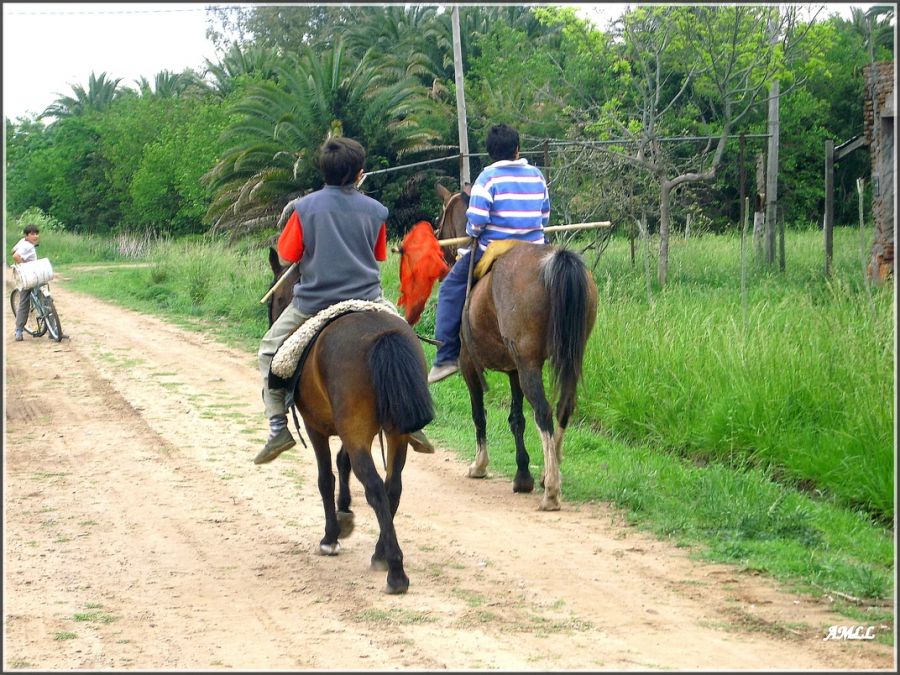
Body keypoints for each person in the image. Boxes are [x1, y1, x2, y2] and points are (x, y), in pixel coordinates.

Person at [254, 137, 390, 465]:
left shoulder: (304, 208)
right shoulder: (376, 210)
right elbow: (379, 255)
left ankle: (277, 427)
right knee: (405, 340)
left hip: (314, 303)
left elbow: (287, 256)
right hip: (368, 299)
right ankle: (411, 421)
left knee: (268, 351)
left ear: (323, 171)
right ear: (360, 174)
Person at [428, 123, 550, 384]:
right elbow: (545, 214)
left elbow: (477, 221)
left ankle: (446, 356)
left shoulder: (487, 178)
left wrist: (472, 230)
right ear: (518, 149)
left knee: (450, 288)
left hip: (495, 250)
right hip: (536, 247)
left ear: (491, 153)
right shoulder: (537, 175)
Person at [11, 224, 40, 341]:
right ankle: (19, 330)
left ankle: (19, 330)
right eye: (32, 234)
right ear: (27, 236)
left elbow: (13, 250)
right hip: (29, 274)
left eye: (36, 233)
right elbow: (16, 255)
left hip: (29, 274)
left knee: (24, 301)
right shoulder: (28, 246)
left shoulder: (22, 241)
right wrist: (24, 264)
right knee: (26, 302)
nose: (35, 236)